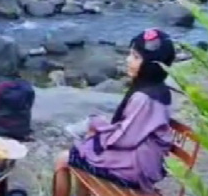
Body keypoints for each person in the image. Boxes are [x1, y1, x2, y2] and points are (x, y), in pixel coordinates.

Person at [52, 29, 176, 196]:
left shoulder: (145, 98)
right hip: (144, 158)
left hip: (135, 166)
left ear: (152, 66)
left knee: (63, 159)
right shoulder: (156, 87)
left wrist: (97, 126)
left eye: (136, 57)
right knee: (86, 144)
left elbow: (125, 139)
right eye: (131, 54)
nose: (128, 60)